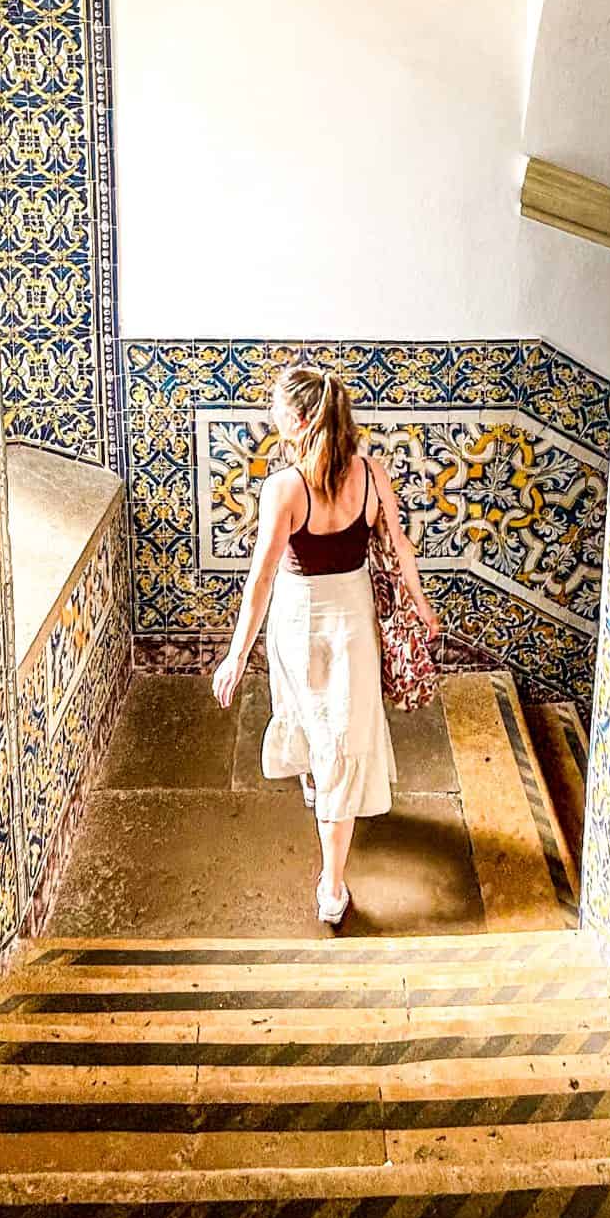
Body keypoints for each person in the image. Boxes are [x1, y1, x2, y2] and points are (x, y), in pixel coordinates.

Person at [212, 364, 439, 926]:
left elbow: (262, 578)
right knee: (340, 728)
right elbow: (400, 547)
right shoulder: (371, 473)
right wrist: (422, 604)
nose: (271, 416)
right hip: (354, 619)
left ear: (299, 419)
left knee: (321, 728)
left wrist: (237, 654)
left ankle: (331, 884)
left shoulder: (284, 488)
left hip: (298, 620)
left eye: (277, 409)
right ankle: (330, 864)